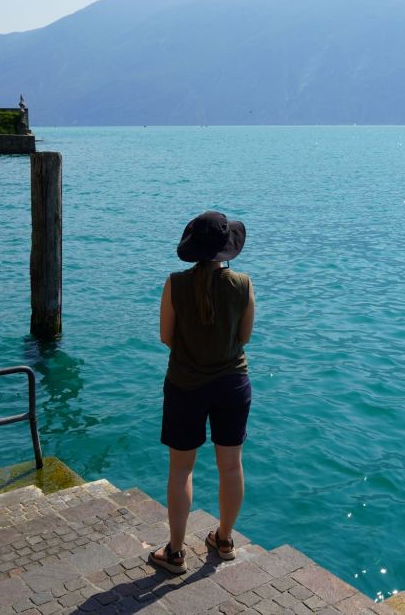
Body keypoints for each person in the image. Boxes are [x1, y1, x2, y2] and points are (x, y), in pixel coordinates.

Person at [148, 211, 256, 574]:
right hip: (232, 384)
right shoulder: (242, 283)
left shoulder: (175, 284)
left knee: (181, 470)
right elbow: (243, 337)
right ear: (227, 249)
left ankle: (176, 553)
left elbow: (166, 336)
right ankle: (224, 540)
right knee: (231, 465)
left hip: (184, 384)